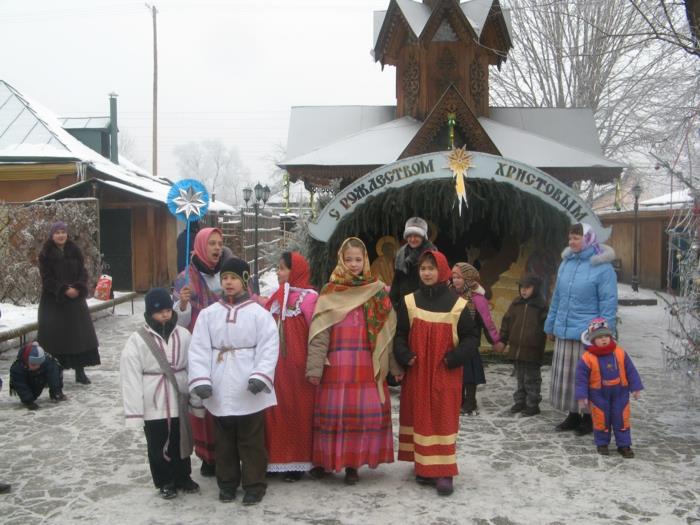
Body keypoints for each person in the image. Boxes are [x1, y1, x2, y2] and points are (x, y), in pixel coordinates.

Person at [306, 237, 401, 485]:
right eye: (348, 259)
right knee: (335, 416)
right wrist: (315, 367)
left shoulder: (377, 291)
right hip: (337, 368)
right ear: (341, 260)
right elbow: (319, 333)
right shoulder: (330, 292)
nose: (353, 264)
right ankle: (329, 462)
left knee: (359, 416)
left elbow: (387, 333)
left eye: (358, 259)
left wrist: (393, 366)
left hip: (367, 366)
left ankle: (353, 465)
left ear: (366, 260)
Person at [188, 257, 279, 505]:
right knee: (224, 442)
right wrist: (201, 379)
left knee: (251, 441)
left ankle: (254, 484)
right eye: (225, 278)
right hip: (219, 384)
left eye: (234, 278)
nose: (228, 282)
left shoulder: (259, 315)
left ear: (245, 281)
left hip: (248, 386)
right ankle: (227, 483)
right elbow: (198, 349)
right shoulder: (209, 315)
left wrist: (261, 375)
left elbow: (269, 347)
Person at [394, 250, 480, 496]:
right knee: (420, 416)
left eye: (432, 268)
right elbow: (400, 334)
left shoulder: (458, 304)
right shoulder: (410, 301)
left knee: (442, 419)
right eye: (423, 268)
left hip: (446, 373)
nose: (427, 273)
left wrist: (455, 358)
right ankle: (424, 466)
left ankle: (444, 472)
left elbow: (472, 338)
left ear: (441, 271)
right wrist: (403, 354)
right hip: (419, 372)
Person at [120, 288, 199, 499]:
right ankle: (165, 481)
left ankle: (183, 476)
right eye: (159, 311)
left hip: (178, 396)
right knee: (158, 444)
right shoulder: (137, 340)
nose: (164, 315)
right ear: (149, 314)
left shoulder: (184, 335)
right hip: (153, 401)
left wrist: (196, 399)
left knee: (180, 440)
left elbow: (194, 366)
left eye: (167, 310)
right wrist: (134, 412)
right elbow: (130, 377)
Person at [545, 223, 618, 436]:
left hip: (588, 335)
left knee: (587, 377)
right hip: (565, 331)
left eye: (576, 238)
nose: (572, 242)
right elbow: (557, 297)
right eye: (570, 239)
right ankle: (573, 415)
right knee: (569, 378)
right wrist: (551, 325)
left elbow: (608, 302)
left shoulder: (602, 267)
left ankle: (588, 418)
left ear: (588, 239)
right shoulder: (565, 264)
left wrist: (603, 333)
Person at [173, 226, 225, 477]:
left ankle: (226, 452)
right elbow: (177, 324)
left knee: (223, 399)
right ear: (201, 247)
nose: (217, 248)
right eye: (212, 243)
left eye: (220, 243)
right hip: (200, 348)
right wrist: (182, 304)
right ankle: (207, 456)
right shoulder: (186, 278)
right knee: (202, 402)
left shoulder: (228, 274)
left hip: (225, 348)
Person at [264, 252, 318, 481]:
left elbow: (317, 333)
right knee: (275, 412)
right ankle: (276, 459)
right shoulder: (275, 299)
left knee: (299, 411)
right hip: (276, 368)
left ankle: (297, 462)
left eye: (283, 268)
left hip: (299, 368)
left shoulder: (309, 298)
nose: (278, 272)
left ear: (295, 271)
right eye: (278, 268)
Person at [37, 221, 100, 385]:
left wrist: (78, 287)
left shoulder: (74, 250)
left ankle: (80, 372)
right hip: (54, 302)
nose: (60, 235)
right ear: (52, 235)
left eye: (63, 232)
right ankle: (54, 374)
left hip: (75, 301)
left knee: (78, 336)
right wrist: (63, 289)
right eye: (57, 232)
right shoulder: (45, 253)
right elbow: (47, 278)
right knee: (56, 339)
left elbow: (82, 272)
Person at [575, 318, 643, 458]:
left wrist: (636, 387)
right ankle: (602, 444)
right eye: (599, 337)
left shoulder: (620, 352)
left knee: (621, 418)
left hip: (620, 392)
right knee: (601, 419)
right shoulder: (587, 358)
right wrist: (582, 396)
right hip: (598, 394)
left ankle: (624, 445)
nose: (604, 339)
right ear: (593, 339)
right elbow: (581, 380)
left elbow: (631, 370)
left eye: (606, 336)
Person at [451, 262, 505, 415]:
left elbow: (488, 322)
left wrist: (495, 340)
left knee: (469, 374)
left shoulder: (477, 299)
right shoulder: (451, 295)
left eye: (459, 277)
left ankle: (470, 401)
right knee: (456, 372)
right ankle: (458, 399)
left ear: (469, 279)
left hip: (470, 342)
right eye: (453, 277)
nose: (455, 280)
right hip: (454, 341)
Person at [499, 274, 549, 416]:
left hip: (533, 349)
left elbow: (548, 324)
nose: (524, 290)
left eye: (528, 287)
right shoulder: (516, 304)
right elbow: (507, 321)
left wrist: (551, 332)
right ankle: (520, 401)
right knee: (520, 378)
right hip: (517, 349)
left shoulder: (541, 306)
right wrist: (503, 339)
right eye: (521, 287)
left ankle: (532, 404)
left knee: (531, 378)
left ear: (536, 288)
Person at [389, 217, 435, 309]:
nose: (412, 239)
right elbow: (397, 281)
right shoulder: (401, 254)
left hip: (424, 305)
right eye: (409, 236)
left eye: (416, 236)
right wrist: (393, 301)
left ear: (423, 236)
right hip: (404, 304)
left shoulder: (431, 254)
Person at [9, 342, 66, 409]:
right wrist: (28, 401)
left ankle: (55, 393)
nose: (37, 366)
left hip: (40, 378)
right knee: (31, 395)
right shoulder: (17, 368)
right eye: (33, 364)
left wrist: (57, 391)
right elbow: (20, 385)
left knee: (54, 370)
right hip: (28, 380)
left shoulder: (48, 361)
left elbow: (54, 376)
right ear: (27, 361)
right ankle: (29, 398)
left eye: (39, 364)